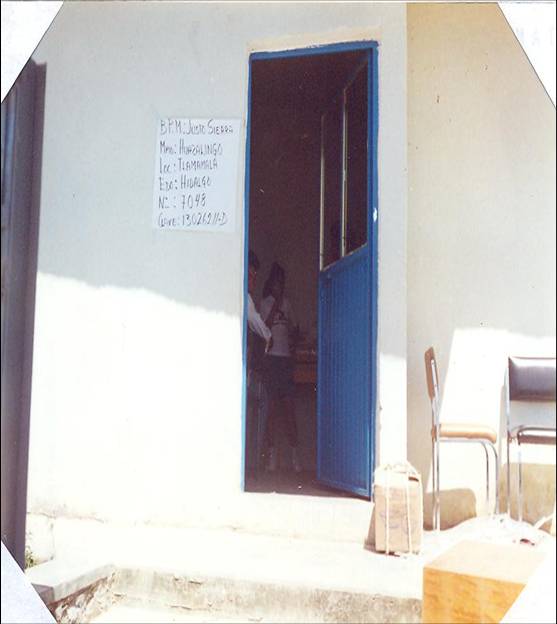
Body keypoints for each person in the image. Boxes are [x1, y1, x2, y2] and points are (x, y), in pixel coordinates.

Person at [260, 262, 301, 474]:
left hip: (285, 361)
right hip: (272, 360)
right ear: (271, 283)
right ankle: (272, 456)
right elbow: (264, 326)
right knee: (272, 410)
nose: (280, 286)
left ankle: (295, 456)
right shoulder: (265, 303)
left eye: (282, 283)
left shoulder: (288, 303)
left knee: (289, 409)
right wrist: (275, 304)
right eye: (276, 283)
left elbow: (294, 328)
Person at [246, 250, 272, 474]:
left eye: (255, 276)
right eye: (250, 275)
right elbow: (255, 321)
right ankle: (254, 463)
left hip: (247, 370)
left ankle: (253, 461)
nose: (253, 280)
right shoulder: (244, 297)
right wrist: (269, 336)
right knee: (262, 400)